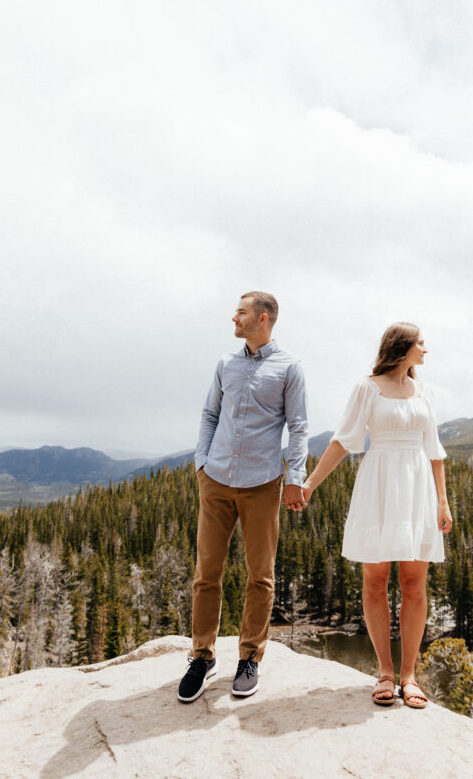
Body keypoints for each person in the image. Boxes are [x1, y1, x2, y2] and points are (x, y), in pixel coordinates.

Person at [302, 322, 452, 709]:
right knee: (375, 579)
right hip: (379, 483)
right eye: (421, 343)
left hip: (418, 485)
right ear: (402, 347)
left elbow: (434, 450)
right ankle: (385, 671)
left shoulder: (426, 392)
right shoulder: (367, 388)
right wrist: (310, 483)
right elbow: (343, 440)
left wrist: (443, 500)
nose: (426, 349)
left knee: (414, 582)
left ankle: (409, 675)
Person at [178, 291, 308, 703]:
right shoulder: (225, 363)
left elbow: (299, 427)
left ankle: (249, 658)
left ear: (263, 318)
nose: (233, 318)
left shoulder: (289, 367)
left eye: (241, 312)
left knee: (260, 576)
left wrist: (295, 478)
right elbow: (209, 414)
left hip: (262, 484)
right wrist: (202, 463)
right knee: (206, 573)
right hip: (215, 479)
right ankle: (201, 656)